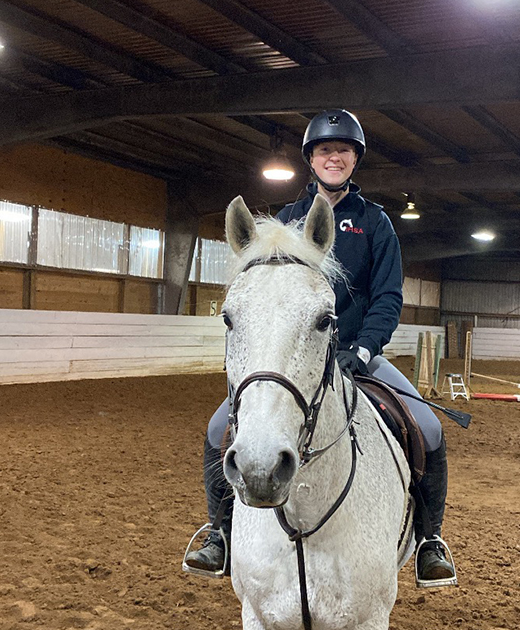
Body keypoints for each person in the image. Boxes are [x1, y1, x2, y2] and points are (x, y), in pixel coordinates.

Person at [183, 110, 457, 586]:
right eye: (325, 150)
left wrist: (366, 350)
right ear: (311, 159)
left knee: (429, 428)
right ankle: (220, 534)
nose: (334, 157)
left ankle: (430, 540)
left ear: (355, 159)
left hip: (359, 355)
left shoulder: (375, 224)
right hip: (294, 360)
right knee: (217, 430)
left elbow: (388, 296)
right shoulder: (286, 221)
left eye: (343, 150)